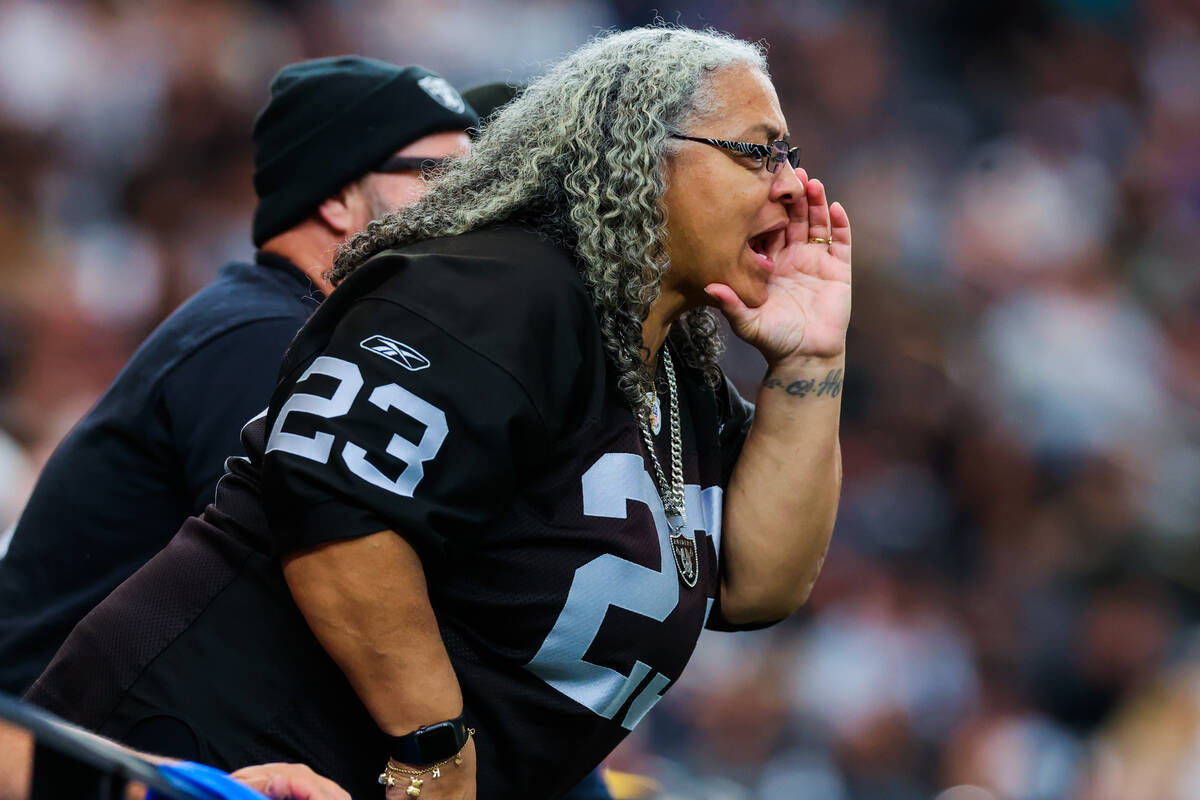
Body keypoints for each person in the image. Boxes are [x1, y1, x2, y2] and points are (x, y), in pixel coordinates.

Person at [27, 25, 851, 800]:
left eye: (790, 155)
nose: (792, 184)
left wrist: (811, 359)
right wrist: (433, 743)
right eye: (757, 152)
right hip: (214, 748)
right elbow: (334, 506)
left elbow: (755, 585)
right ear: (638, 153)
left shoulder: (670, 365)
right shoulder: (499, 288)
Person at [0, 56, 477, 696]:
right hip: (58, 746)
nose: (475, 200)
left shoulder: (306, 332)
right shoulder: (260, 339)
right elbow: (307, 603)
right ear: (336, 197)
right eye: (440, 174)